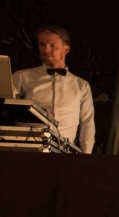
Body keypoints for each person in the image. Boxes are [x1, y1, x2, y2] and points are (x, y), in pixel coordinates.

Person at [12, 25, 95, 153]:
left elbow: (87, 122)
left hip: (63, 152)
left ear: (66, 49)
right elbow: (5, 105)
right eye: (42, 44)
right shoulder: (22, 76)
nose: (46, 49)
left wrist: (86, 156)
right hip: (26, 147)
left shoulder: (81, 85)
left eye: (52, 45)